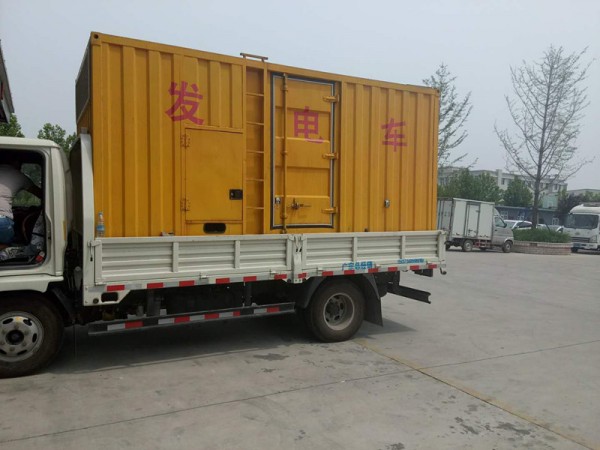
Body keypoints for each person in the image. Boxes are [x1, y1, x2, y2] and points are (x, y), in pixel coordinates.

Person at [0, 161, 42, 246]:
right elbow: (42, 195)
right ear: (16, 163)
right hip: (1, 219)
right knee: (9, 242)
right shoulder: (19, 176)